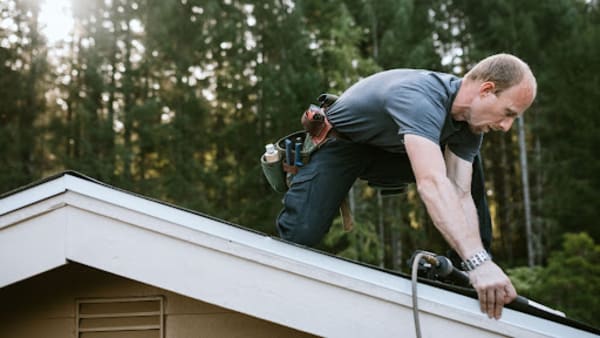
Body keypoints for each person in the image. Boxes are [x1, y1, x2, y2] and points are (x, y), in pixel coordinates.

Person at [276, 53, 537, 320]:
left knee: (471, 168)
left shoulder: (469, 127)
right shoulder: (420, 98)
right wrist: (479, 261)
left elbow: (460, 192)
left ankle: (469, 272)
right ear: (486, 90)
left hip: (388, 151)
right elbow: (432, 183)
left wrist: (478, 261)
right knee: (301, 235)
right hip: (341, 145)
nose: (506, 126)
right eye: (508, 113)